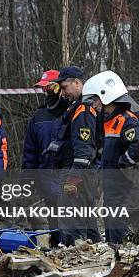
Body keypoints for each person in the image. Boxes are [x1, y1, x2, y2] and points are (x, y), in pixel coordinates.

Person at [82, 71, 139, 243]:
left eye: (94, 99)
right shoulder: (106, 121)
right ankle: (113, 253)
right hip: (111, 183)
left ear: (105, 96)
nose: (93, 105)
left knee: (119, 219)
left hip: (124, 183)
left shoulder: (126, 120)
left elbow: (138, 148)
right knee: (110, 217)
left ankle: (123, 255)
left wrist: (121, 164)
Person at [45, 66, 102, 246]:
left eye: (65, 87)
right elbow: (53, 110)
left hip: (77, 172)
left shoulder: (83, 109)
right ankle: (95, 253)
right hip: (78, 171)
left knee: (72, 223)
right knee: (86, 220)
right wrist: (52, 93)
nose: (63, 92)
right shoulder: (74, 106)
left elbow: (84, 149)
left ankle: (77, 256)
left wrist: (73, 178)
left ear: (77, 83)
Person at [22, 70, 69, 246]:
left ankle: (73, 245)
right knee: (53, 218)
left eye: (47, 87)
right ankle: (56, 246)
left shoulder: (71, 110)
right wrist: (27, 176)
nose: (45, 91)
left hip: (67, 172)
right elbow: (30, 149)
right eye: (43, 88)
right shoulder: (38, 116)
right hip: (45, 175)